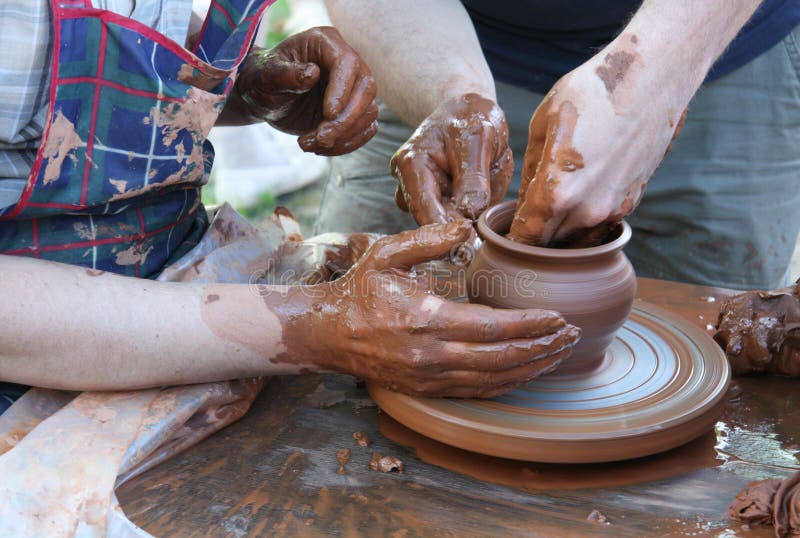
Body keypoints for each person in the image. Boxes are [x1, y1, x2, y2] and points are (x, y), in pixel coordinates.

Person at [0, 0, 581, 414]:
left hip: (170, 283)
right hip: (33, 361)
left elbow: (71, 54)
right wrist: (313, 326)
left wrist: (241, 88)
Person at [315, 0, 800, 290]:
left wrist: (648, 78)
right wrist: (455, 96)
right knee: (349, 308)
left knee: (723, 345)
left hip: (717, 45)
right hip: (425, 37)